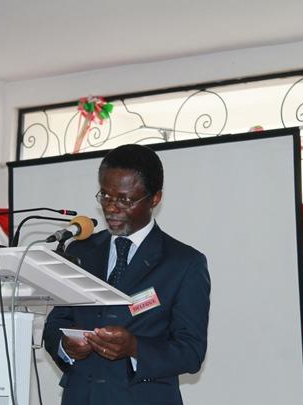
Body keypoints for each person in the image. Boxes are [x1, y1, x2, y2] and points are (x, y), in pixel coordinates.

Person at [43, 144, 211, 405]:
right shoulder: (80, 251)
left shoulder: (184, 263)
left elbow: (191, 352)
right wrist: (65, 346)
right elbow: (56, 322)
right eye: (105, 196)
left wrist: (135, 348)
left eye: (125, 200)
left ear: (155, 198)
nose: (111, 208)